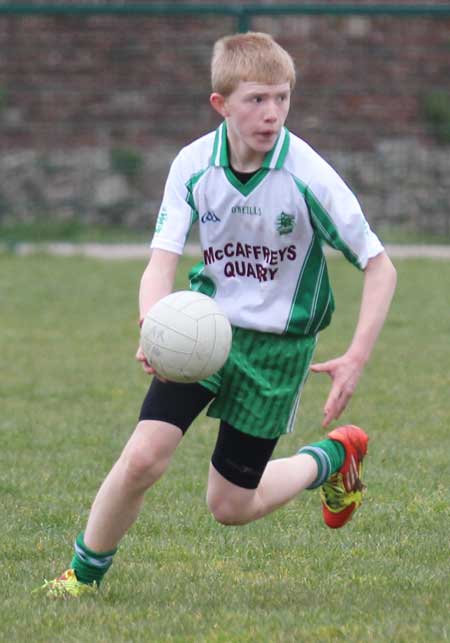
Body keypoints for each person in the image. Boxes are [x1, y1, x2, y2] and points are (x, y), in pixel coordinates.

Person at [40, 32, 397, 598]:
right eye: (256, 99)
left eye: (282, 98)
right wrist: (152, 325)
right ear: (221, 104)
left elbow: (381, 267)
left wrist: (356, 357)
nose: (272, 113)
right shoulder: (193, 165)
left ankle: (332, 456)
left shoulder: (307, 175)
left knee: (229, 506)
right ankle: (82, 577)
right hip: (204, 331)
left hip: (278, 349)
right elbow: (160, 262)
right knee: (143, 458)